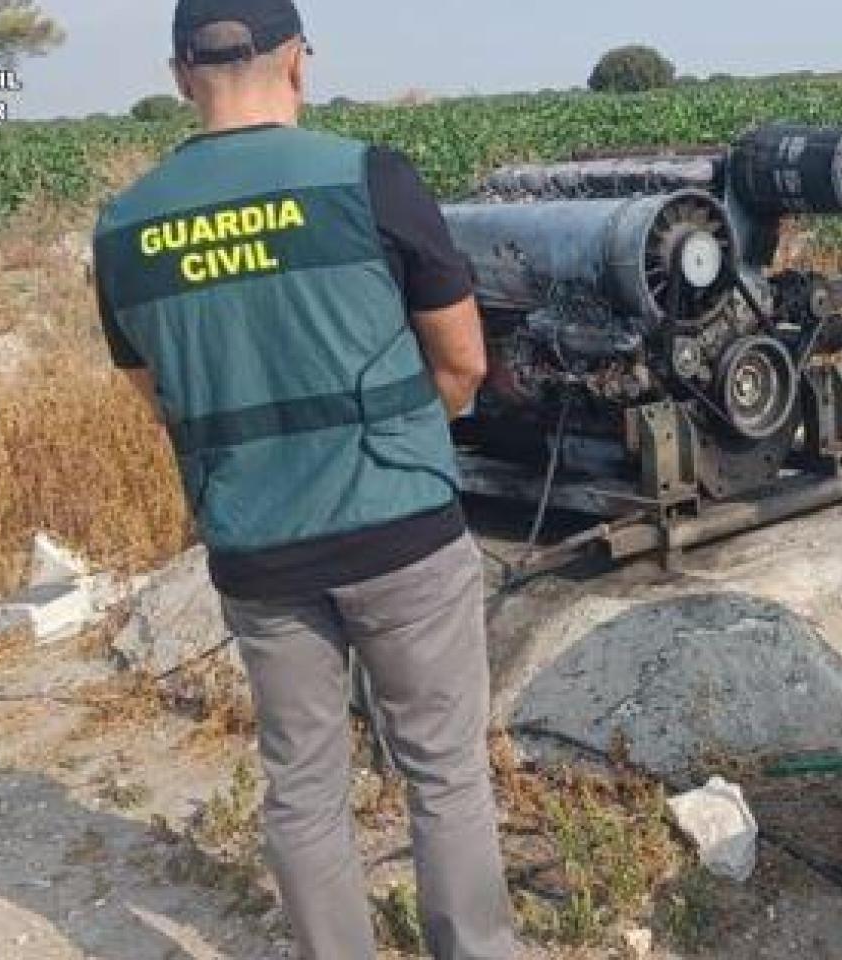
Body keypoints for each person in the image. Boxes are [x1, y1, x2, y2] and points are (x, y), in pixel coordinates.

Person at [90, 2, 516, 957]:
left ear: (178, 75)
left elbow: (156, 395)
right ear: (297, 62)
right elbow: (464, 363)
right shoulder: (367, 177)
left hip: (258, 553)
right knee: (445, 776)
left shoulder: (123, 226)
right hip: (399, 527)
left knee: (304, 786)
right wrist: (399, 439)